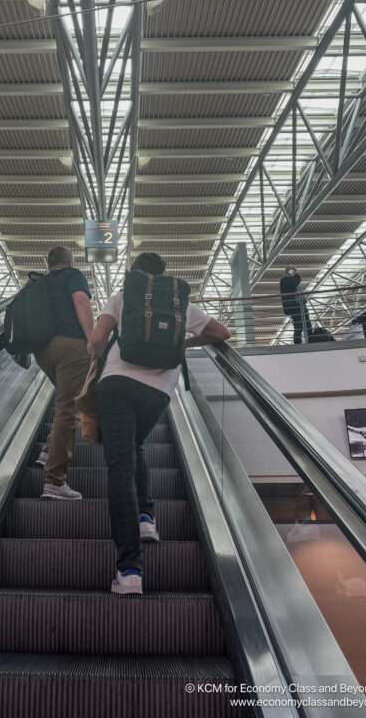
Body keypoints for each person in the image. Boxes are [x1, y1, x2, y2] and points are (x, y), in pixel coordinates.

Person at [87, 252, 230, 595]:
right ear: (164, 275)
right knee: (137, 446)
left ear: (135, 274)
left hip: (118, 386)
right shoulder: (182, 307)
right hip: (159, 392)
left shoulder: (121, 297)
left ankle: (130, 570)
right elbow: (222, 333)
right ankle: (146, 520)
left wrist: (101, 351)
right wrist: (183, 341)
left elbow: (95, 342)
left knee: (120, 467)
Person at [34, 246, 93, 500]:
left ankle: (48, 450)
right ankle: (54, 482)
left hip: (43, 350)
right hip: (71, 346)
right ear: (69, 261)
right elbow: (81, 300)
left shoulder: (41, 283)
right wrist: (92, 340)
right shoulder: (73, 275)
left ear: (49, 264)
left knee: (65, 401)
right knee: (70, 410)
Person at [279, 266, 312, 344]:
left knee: (305, 324)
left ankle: (309, 340)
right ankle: (301, 342)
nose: (296, 272)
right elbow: (295, 282)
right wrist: (296, 275)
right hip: (294, 306)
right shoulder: (285, 280)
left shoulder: (288, 280)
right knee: (299, 326)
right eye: (294, 271)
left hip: (297, 305)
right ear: (290, 271)